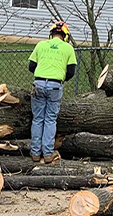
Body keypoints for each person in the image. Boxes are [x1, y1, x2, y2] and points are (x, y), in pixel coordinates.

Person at [28, 21, 77, 164]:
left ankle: (35, 153)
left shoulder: (41, 45)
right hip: (55, 85)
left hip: (39, 83)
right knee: (50, 119)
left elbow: (32, 66)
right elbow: (71, 71)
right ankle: (47, 154)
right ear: (65, 35)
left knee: (37, 119)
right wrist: (60, 77)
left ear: (51, 34)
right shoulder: (68, 48)